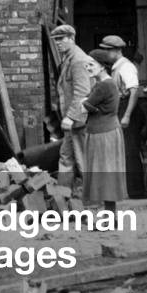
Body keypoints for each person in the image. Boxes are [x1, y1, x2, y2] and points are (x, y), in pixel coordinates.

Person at [50, 24, 100, 195]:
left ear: (71, 38)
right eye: (55, 40)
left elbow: (82, 92)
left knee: (83, 159)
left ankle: (93, 199)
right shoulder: (69, 58)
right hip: (73, 122)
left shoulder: (78, 60)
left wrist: (70, 117)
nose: (57, 43)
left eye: (61, 39)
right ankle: (62, 197)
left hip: (79, 121)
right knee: (66, 157)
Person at [98, 35, 145, 198]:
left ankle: (137, 192)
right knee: (125, 150)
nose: (105, 54)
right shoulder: (116, 67)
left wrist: (127, 115)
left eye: (107, 50)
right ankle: (129, 189)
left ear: (117, 50)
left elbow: (134, 91)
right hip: (122, 107)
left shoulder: (126, 67)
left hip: (128, 109)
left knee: (130, 151)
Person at [83, 49, 127, 212]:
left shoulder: (104, 85)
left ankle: (108, 216)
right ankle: (110, 215)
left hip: (103, 134)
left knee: (104, 175)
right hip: (104, 132)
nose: (88, 68)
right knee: (106, 175)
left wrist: (86, 104)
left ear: (102, 66)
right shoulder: (103, 84)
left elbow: (85, 105)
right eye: (87, 65)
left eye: (91, 64)